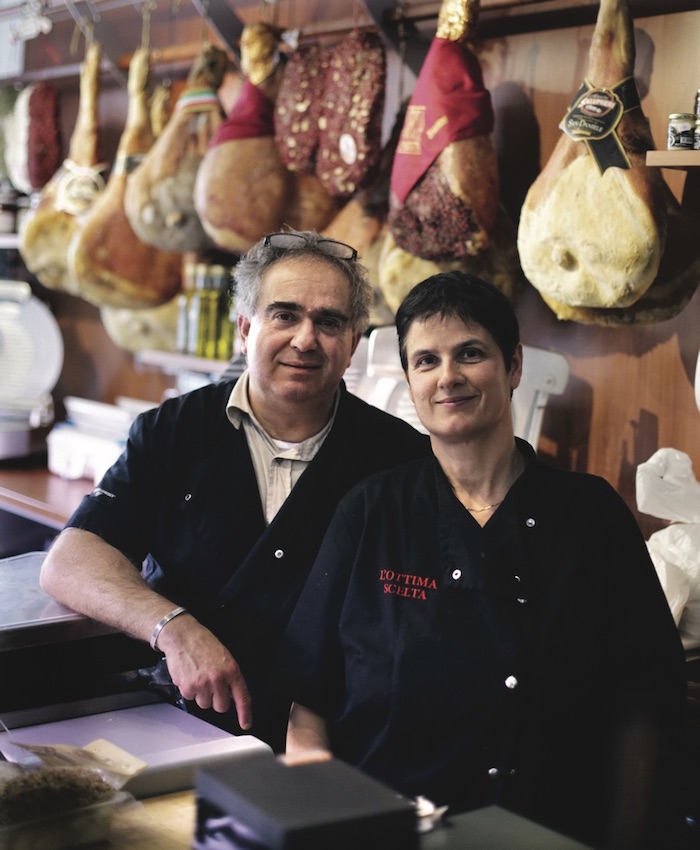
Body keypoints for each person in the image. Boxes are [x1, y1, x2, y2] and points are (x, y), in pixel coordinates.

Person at [280, 271, 687, 848]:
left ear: (513, 366)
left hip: (548, 833)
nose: (447, 377)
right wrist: (326, 823)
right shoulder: (372, 510)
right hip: (387, 830)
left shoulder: (590, 516)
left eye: (470, 354)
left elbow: (643, 704)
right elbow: (308, 697)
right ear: (409, 380)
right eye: (425, 361)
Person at [39, 230, 428, 752]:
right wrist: (174, 628)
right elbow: (70, 560)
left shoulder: (397, 457)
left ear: (353, 342)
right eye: (284, 315)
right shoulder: (173, 430)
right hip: (177, 719)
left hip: (333, 742)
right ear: (246, 328)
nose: (305, 339)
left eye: (329, 322)